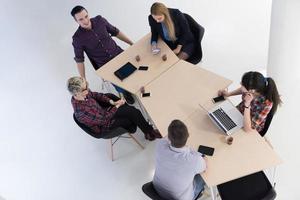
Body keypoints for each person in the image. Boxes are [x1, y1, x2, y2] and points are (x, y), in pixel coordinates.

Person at [71, 5, 135, 104]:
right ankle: (125, 92)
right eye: (81, 19)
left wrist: (131, 43)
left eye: (86, 16)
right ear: (76, 21)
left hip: (118, 54)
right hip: (105, 65)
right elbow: (79, 60)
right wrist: (83, 79)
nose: (85, 20)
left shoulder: (100, 20)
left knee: (134, 72)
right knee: (119, 84)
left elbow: (116, 32)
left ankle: (135, 86)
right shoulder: (77, 38)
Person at [67, 76, 162, 140]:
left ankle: (149, 132)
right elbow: (104, 120)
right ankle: (148, 131)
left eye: (87, 85)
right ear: (77, 93)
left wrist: (112, 102)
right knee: (130, 117)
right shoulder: (82, 111)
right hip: (105, 125)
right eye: (85, 88)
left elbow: (96, 95)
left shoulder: (84, 94)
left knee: (134, 111)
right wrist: (117, 106)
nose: (88, 89)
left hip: (104, 112)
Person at [153, 120, 206, 200]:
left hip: (157, 190)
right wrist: (200, 155)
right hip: (181, 197)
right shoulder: (194, 160)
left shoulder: (160, 144)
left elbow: (165, 138)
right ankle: (198, 193)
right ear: (188, 135)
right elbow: (204, 167)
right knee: (204, 177)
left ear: (169, 137)